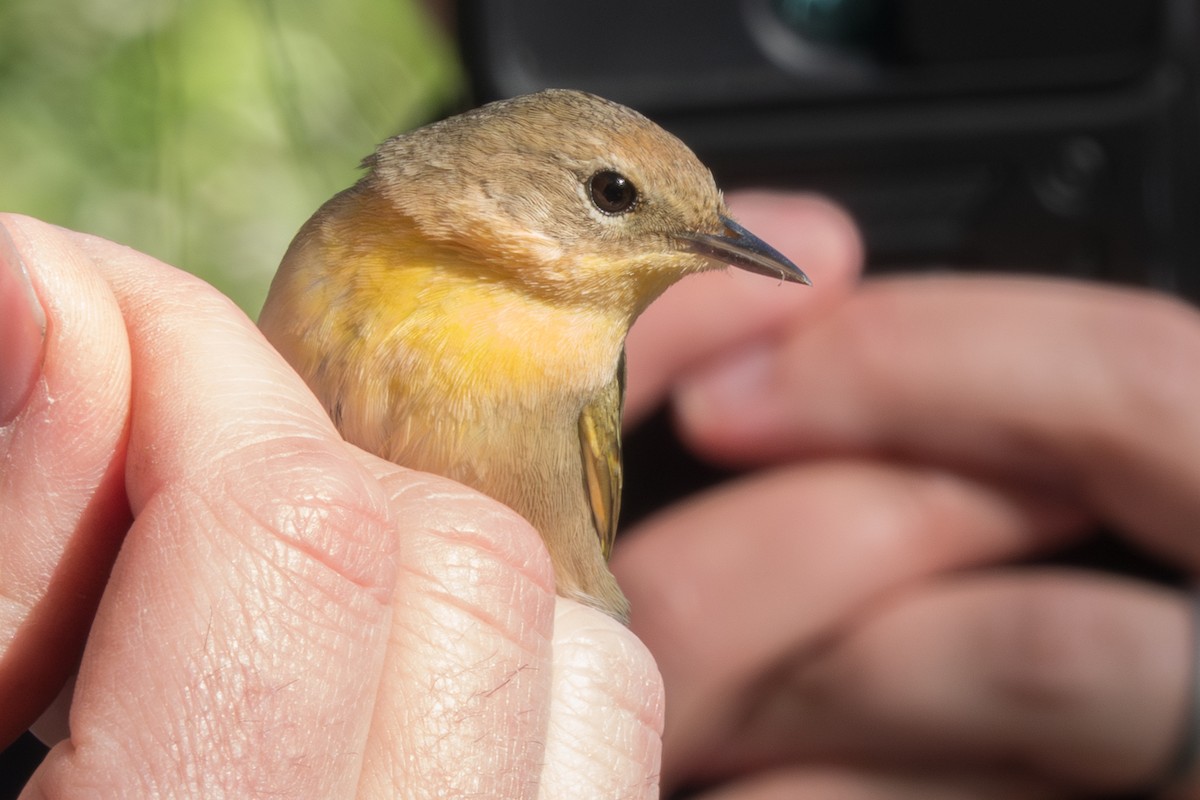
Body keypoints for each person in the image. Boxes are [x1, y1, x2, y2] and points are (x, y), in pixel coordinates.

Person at [3, 190, 1199, 798]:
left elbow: (582, 577)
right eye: (619, 195)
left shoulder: (582, 354)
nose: (693, 241)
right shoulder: (354, 236)